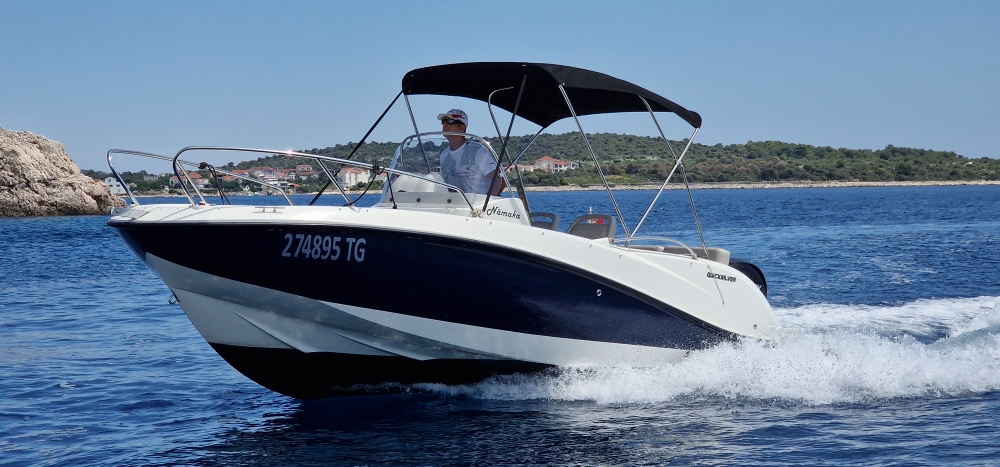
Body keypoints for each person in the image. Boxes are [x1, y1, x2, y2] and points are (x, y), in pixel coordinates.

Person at [437, 109, 504, 195]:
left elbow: (500, 181)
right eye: (443, 121)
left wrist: (487, 201)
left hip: (477, 203)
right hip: (454, 202)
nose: (445, 124)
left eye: (450, 121)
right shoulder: (444, 155)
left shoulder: (478, 152)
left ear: (462, 128)